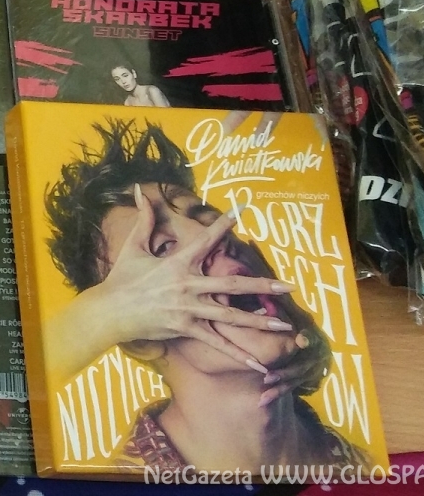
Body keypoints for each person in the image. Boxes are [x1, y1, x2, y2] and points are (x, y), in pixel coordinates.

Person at [40, 119, 367, 472]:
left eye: (212, 220)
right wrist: (98, 319)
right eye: (163, 248)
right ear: (139, 339)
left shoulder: (364, 465)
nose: (211, 236)